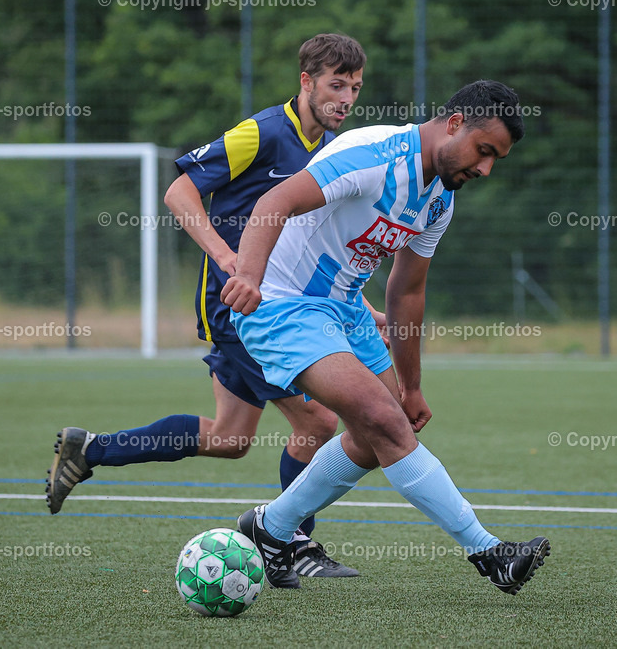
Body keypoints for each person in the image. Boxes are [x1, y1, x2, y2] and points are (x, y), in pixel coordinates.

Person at [46, 33, 372, 581]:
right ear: (306, 82)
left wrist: (357, 306)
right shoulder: (264, 132)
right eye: (335, 85)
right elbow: (179, 192)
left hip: (280, 304)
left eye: (355, 88)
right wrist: (229, 260)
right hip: (238, 307)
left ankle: (91, 450)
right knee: (317, 418)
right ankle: (290, 546)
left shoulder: (332, 152)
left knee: (229, 438)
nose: (345, 98)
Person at [223, 80, 550, 593]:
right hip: (282, 302)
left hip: (346, 310)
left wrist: (412, 385)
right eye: (484, 151)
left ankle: (270, 528)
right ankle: (488, 553)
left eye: (495, 161)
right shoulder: (373, 156)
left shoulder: (440, 198)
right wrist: (247, 274)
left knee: (379, 436)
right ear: (455, 123)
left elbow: (406, 293)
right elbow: (275, 201)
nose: (485, 169)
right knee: (383, 422)